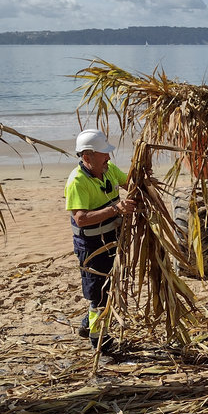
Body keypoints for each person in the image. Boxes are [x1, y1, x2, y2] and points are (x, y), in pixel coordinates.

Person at [65, 129, 137, 351]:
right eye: (103, 153)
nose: (108, 157)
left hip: (112, 240)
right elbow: (81, 219)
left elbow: (130, 184)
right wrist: (116, 209)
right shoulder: (77, 182)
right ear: (87, 157)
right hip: (92, 247)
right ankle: (100, 343)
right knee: (98, 296)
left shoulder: (109, 170)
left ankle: (87, 324)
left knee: (108, 288)